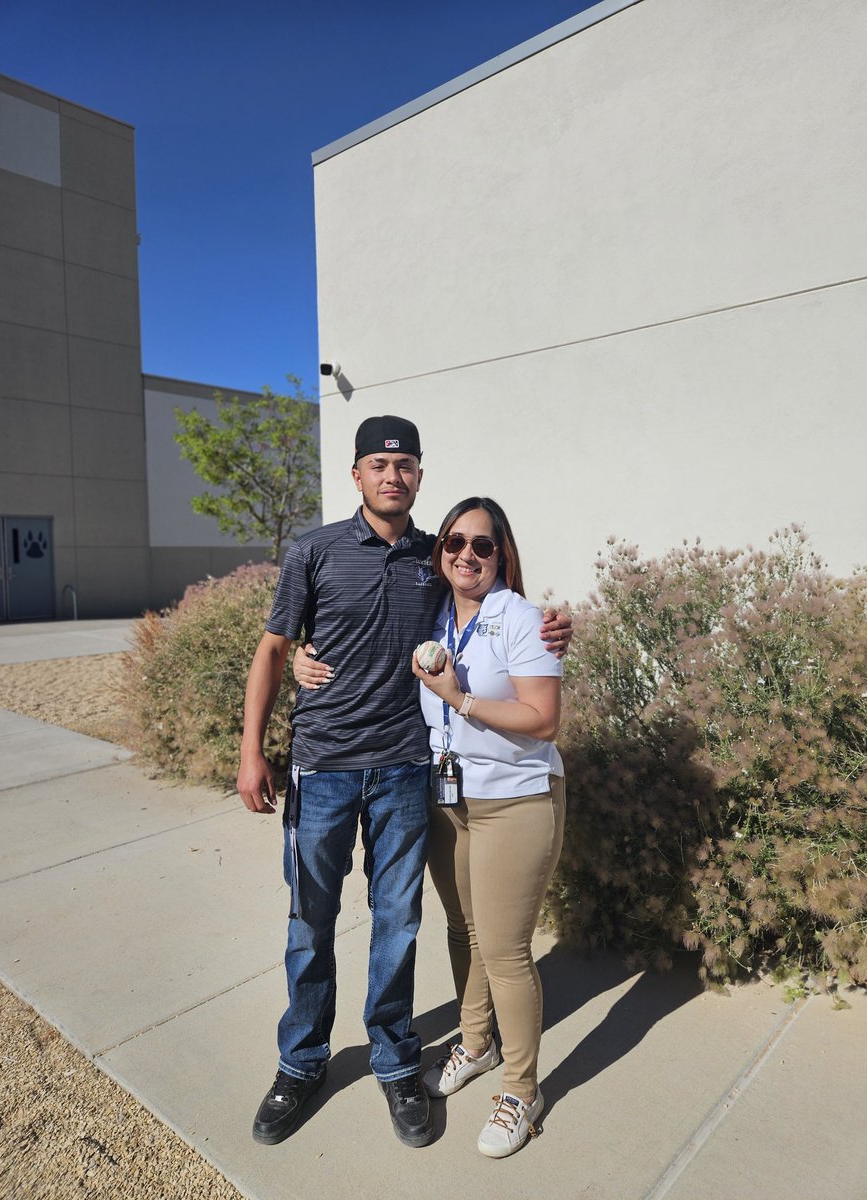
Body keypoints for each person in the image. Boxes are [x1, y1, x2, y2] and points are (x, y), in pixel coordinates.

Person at [236, 415, 570, 1150]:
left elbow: (498, 613)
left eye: (406, 465)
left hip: (406, 771)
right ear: (357, 475)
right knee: (310, 922)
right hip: (323, 766)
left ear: (419, 475)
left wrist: (554, 629)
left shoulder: (435, 557)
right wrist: (251, 750)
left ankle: (394, 1061)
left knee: (398, 923)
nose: (393, 476)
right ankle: (301, 1062)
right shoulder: (315, 551)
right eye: (379, 465)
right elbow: (275, 650)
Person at [410, 496, 565, 1159]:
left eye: (482, 544)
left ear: (503, 554)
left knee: (504, 951)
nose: (466, 555)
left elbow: (543, 719)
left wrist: (461, 700)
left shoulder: (521, 618)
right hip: (450, 798)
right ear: (439, 551)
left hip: (515, 800)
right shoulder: (434, 613)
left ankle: (522, 1092)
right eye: (454, 542)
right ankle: (476, 1043)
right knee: (462, 929)